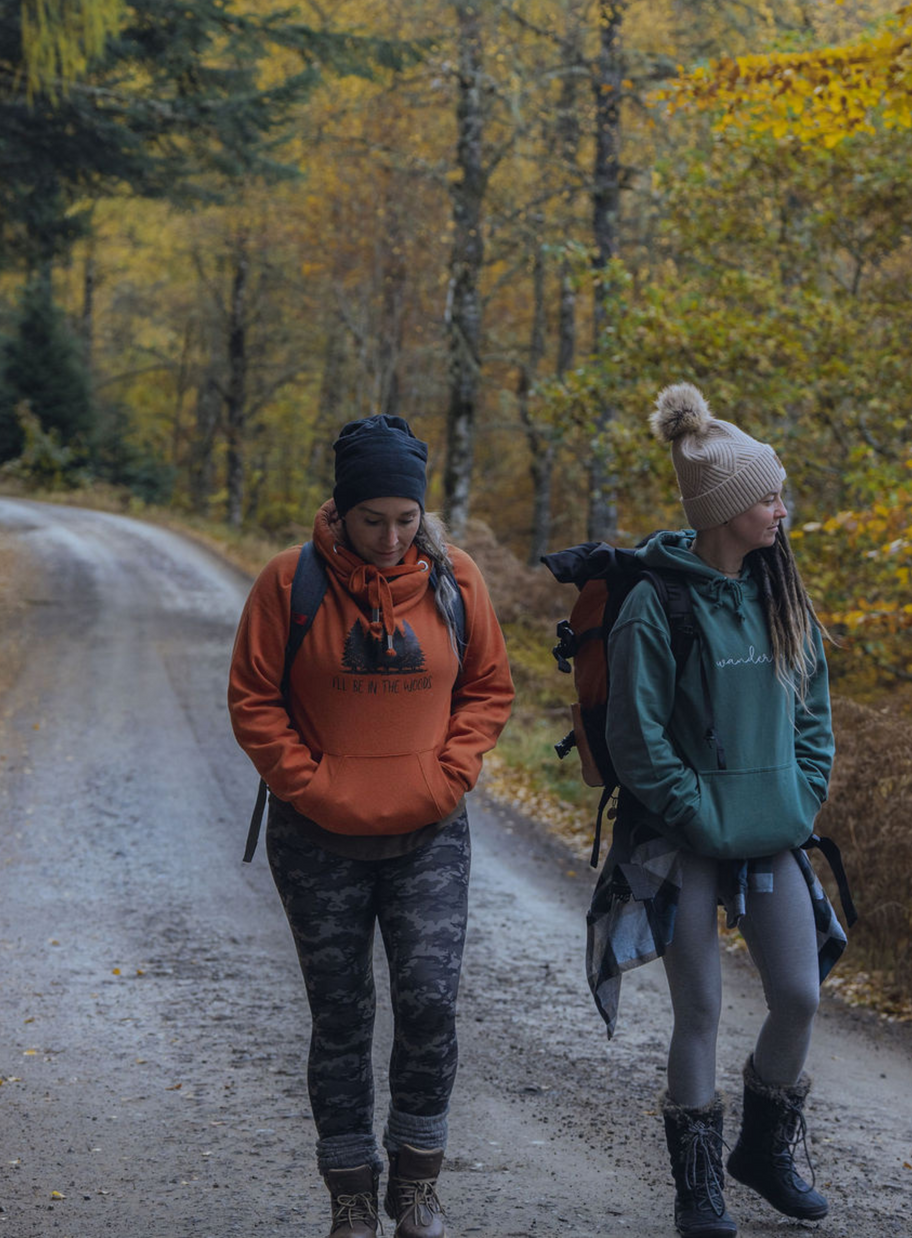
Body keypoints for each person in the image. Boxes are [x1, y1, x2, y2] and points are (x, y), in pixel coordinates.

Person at [227, 414, 514, 1238]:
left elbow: (488, 688)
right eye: (371, 519)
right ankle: (351, 1196)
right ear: (340, 511)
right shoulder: (289, 583)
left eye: (405, 518)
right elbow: (254, 697)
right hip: (316, 838)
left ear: (422, 513)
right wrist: (309, 783)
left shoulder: (457, 580)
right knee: (341, 1016)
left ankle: (417, 1187)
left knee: (429, 1004)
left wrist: (449, 771)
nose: (390, 537)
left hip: (429, 830)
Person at [597, 382, 842, 1237]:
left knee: (799, 995)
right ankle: (697, 1188)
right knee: (697, 1007)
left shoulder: (781, 594)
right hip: (684, 839)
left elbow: (812, 714)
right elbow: (637, 740)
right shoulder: (654, 603)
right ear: (727, 507)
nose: (782, 509)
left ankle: (761, 1152)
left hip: (772, 830)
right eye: (770, 496)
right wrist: (698, 814)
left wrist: (798, 791)